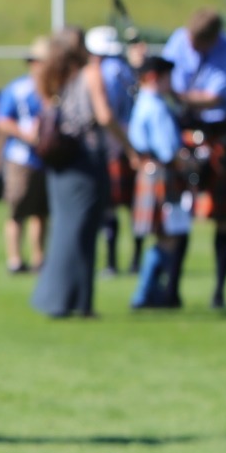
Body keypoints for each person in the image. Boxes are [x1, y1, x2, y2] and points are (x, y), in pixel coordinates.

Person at [31, 29, 129, 319]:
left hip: (60, 159)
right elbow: (105, 116)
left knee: (66, 228)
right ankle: (68, 301)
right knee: (81, 231)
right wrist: (129, 146)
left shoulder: (50, 75)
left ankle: (73, 300)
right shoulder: (90, 73)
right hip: (86, 157)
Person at [162, 9, 226, 309]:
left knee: (222, 219)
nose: (192, 46)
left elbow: (214, 97)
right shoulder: (178, 41)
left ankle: (219, 292)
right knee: (179, 215)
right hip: (187, 133)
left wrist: (178, 95)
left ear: (213, 40)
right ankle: (172, 290)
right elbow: (165, 77)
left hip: (219, 136)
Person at [126, 56, 186, 309]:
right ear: (154, 77)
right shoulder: (157, 107)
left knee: (163, 234)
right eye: (166, 78)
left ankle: (148, 291)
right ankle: (145, 292)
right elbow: (167, 149)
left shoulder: (143, 102)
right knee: (168, 235)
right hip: (161, 172)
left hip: (148, 170)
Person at [0, 40, 50, 274]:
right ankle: (15, 259)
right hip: (21, 158)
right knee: (18, 210)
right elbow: (2, 120)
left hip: (46, 158)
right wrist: (25, 135)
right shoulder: (18, 89)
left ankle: (40, 259)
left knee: (42, 212)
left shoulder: (53, 90)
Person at [86, 26, 137, 274]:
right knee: (132, 205)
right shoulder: (126, 70)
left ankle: (111, 262)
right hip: (129, 138)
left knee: (111, 205)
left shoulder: (106, 72)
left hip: (113, 142)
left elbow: (107, 114)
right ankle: (135, 259)